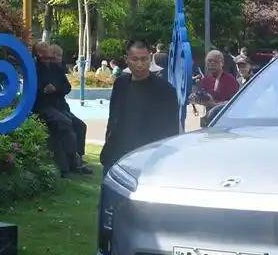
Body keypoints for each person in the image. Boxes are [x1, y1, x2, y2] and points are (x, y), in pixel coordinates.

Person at [101, 40, 180, 171]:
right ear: (127, 59)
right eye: (135, 59)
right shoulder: (120, 84)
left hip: (147, 158)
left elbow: (171, 130)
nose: (140, 64)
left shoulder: (165, 90)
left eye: (144, 59)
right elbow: (113, 118)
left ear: (150, 58)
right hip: (115, 156)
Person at [33, 44, 91, 176]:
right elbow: (33, 91)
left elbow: (67, 87)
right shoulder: (35, 69)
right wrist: (44, 91)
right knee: (65, 123)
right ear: (38, 55)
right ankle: (73, 161)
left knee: (80, 125)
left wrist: (56, 89)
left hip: (59, 106)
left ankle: (79, 159)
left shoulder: (56, 68)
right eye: (44, 55)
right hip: (43, 106)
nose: (48, 58)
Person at [195, 49, 240, 113]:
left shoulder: (230, 80)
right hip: (209, 116)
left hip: (224, 115)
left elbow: (234, 102)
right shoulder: (205, 80)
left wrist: (214, 104)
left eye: (215, 61)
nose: (212, 63)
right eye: (209, 61)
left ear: (222, 63)